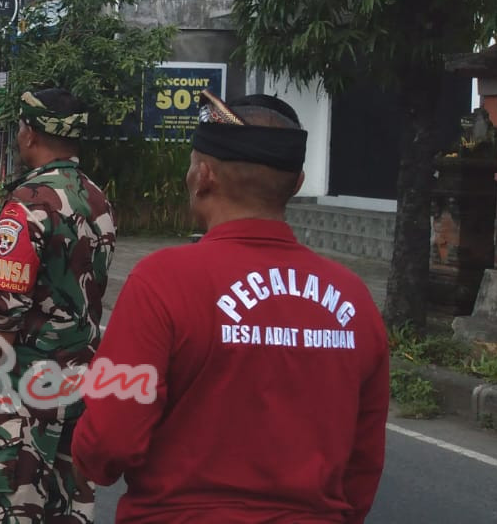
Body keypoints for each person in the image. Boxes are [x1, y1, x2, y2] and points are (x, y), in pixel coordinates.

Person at [72, 92, 388, 523]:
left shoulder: (163, 280)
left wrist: (88, 462)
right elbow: (363, 461)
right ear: (296, 184)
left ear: (203, 176)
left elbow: (110, 437)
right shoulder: (353, 299)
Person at [0, 88, 116, 524]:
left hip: (24, 395)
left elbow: (3, 314)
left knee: (7, 506)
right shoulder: (99, 201)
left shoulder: (27, 206)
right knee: (65, 509)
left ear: (28, 134)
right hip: (78, 392)